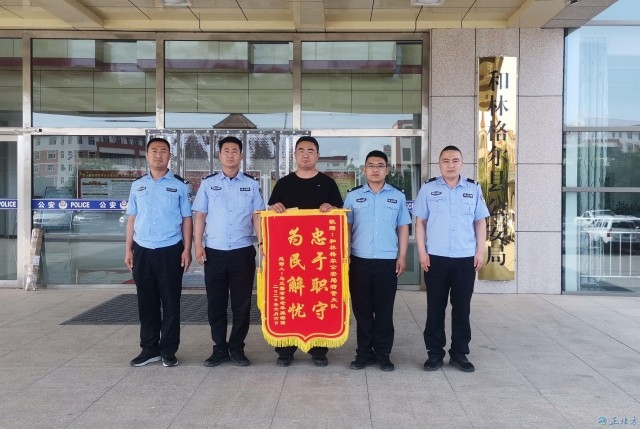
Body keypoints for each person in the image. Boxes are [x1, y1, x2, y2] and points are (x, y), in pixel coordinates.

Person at [268, 136, 343, 367]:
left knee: (317, 298)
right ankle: (285, 350)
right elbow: (270, 214)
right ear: (295, 155)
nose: (305, 154)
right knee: (291, 298)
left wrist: (332, 209)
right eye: (301, 150)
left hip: (319, 258)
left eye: (311, 150)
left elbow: (340, 215)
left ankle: (319, 350)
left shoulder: (328, 184)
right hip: (290, 256)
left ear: (318, 155)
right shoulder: (283, 183)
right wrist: (275, 208)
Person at [413, 145, 489, 373]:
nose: (450, 165)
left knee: (462, 308)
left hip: (465, 258)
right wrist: (422, 252)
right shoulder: (428, 189)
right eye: (445, 161)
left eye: (455, 160)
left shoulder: (473, 188)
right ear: (439, 164)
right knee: (435, 307)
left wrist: (480, 251)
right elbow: (420, 223)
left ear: (462, 163)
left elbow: (480, 222)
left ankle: (459, 353)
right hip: (435, 258)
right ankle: (435, 354)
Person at [192, 136, 265, 367]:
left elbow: (257, 217)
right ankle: (219, 348)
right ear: (219, 155)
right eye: (226, 150)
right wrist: (197, 244)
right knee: (216, 303)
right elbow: (200, 216)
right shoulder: (208, 184)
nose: (230, 154)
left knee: (242, 304)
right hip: (215, 252)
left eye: (235, 151)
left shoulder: (251, 184)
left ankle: (237, 348)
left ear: (241, 156)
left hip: (242, 252)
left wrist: (263, 244)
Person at [125, 137, 193, 368]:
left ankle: (168, 351)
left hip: (170, 249)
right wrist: (128, 249)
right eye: (154, 151)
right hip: (142, 249)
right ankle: (149, 349)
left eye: (163, 151)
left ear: (169, 156)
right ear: (147, 155)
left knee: (171, 303)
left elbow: (187, 219)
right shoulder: (137, 185)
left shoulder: (180, 185)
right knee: (147, 303)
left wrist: (187, 249)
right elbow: (132, 218)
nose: (158, 155)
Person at [343, 150, 411, 372]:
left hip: (387, 262)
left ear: (387, 170)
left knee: (384, 311)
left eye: (380, 165)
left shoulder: (398, 196)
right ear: (364, 170)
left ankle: (383, 353)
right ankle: (364, 353)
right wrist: (345, 255)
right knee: (362, 310)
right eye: (371, 165)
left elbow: (403, 228)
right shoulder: (353, 196)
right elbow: (346, 228)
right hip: (359, 261)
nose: (375, 169)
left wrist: (402, 256)